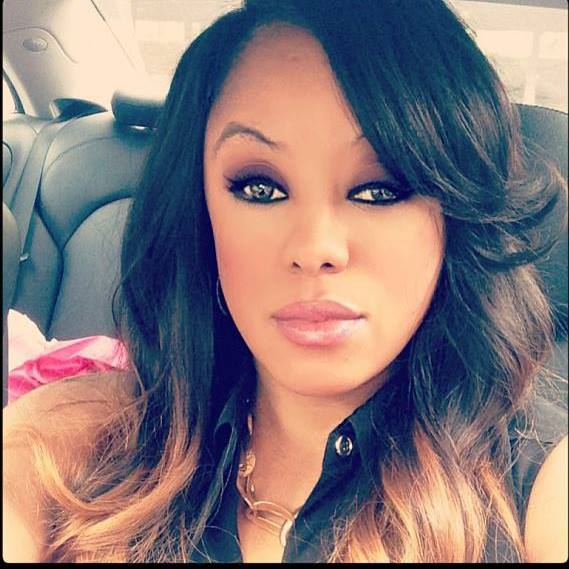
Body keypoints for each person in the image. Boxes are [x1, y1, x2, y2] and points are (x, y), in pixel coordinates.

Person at [3, 0, 567, 563]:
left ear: (455, 218)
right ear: (201, 213)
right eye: (260, 188)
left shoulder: (540, 484)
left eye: (380, 190)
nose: (315, 249)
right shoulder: (74, 439)